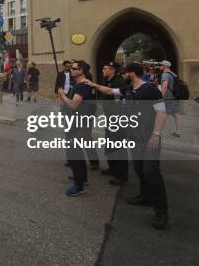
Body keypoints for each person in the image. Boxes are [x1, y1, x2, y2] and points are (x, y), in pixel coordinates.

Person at [86, 63, 169, 229]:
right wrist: (94, 85)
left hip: (149, 138)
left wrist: (156, 134)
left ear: (132, 73)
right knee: (139, 167)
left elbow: (161, 111)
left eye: (124, 73)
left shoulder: (151, 89)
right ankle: (145, 196)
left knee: (151, 172)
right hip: (135, 137)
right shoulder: (129, 89)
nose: (122, 75)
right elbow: (110, 91)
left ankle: (161, 212)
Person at [58, 60, 98, 196]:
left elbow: (74, 105)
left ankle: (79, 185)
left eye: (74, 68)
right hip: (78, 122)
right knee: (78, 153)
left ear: (81, 71)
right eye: (71, 68)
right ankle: (81, 178)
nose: (71, 70)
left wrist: (63, 96)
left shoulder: (82, 86)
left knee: (74, 154)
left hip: (78, 124)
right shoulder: (82, 84)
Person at [97, 61, 128, 185]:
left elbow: (112, 93)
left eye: (105, 68)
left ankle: (121, 176)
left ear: (112, 70)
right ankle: (113, 168)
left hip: (118, 119)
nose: (103, 70)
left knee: (118, 147)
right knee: (110, 144)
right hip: (109, 117)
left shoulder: (119, 81)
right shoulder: (107, 80)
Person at [160, 60, 182, 137]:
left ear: (165, 66)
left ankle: (158, 131)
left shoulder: (165, 74)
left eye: (161, 65)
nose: (160, 66)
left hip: (168, 97)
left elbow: (165, 86)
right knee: (176, 114)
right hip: (175, 96)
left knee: (163, 114)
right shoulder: (173, 74)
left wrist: (160, 96)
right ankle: (178, 131)